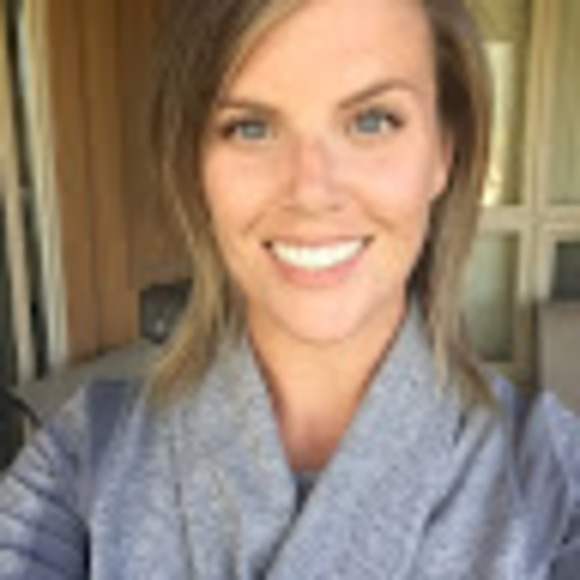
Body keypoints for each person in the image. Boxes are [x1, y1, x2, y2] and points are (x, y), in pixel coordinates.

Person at [1, 0, 579, 577]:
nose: (310, 191)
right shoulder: (81, 462)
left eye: (372, 121)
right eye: (250, 128)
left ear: (443, 153)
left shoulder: (556, 490)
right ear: (195, 167)